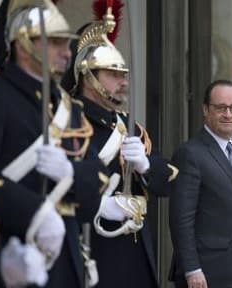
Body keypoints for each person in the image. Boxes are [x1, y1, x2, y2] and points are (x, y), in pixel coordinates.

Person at [0, 0, 108, 287]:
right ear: (24, 44)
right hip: (12, 248)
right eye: (57, 43)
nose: (67, 52)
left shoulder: (68, 108)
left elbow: (98, 175)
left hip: (67, 255)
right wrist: (34, 213)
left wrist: (70, 175)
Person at [60, 1, 178, 287]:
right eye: (113, 74)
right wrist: (98, 205)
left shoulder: (131, 126)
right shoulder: (67, 122)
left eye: (123, 74)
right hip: (91, 249)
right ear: (87, 75)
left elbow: (169, 181)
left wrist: (146, 165)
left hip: (135, 252)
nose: (123, 82)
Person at [169, 80, 232, 288]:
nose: (228, 114)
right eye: (220, 108)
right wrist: (192, 269)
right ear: (206, 110)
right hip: (205, 276)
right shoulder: (190, 153)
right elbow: (181, 218)